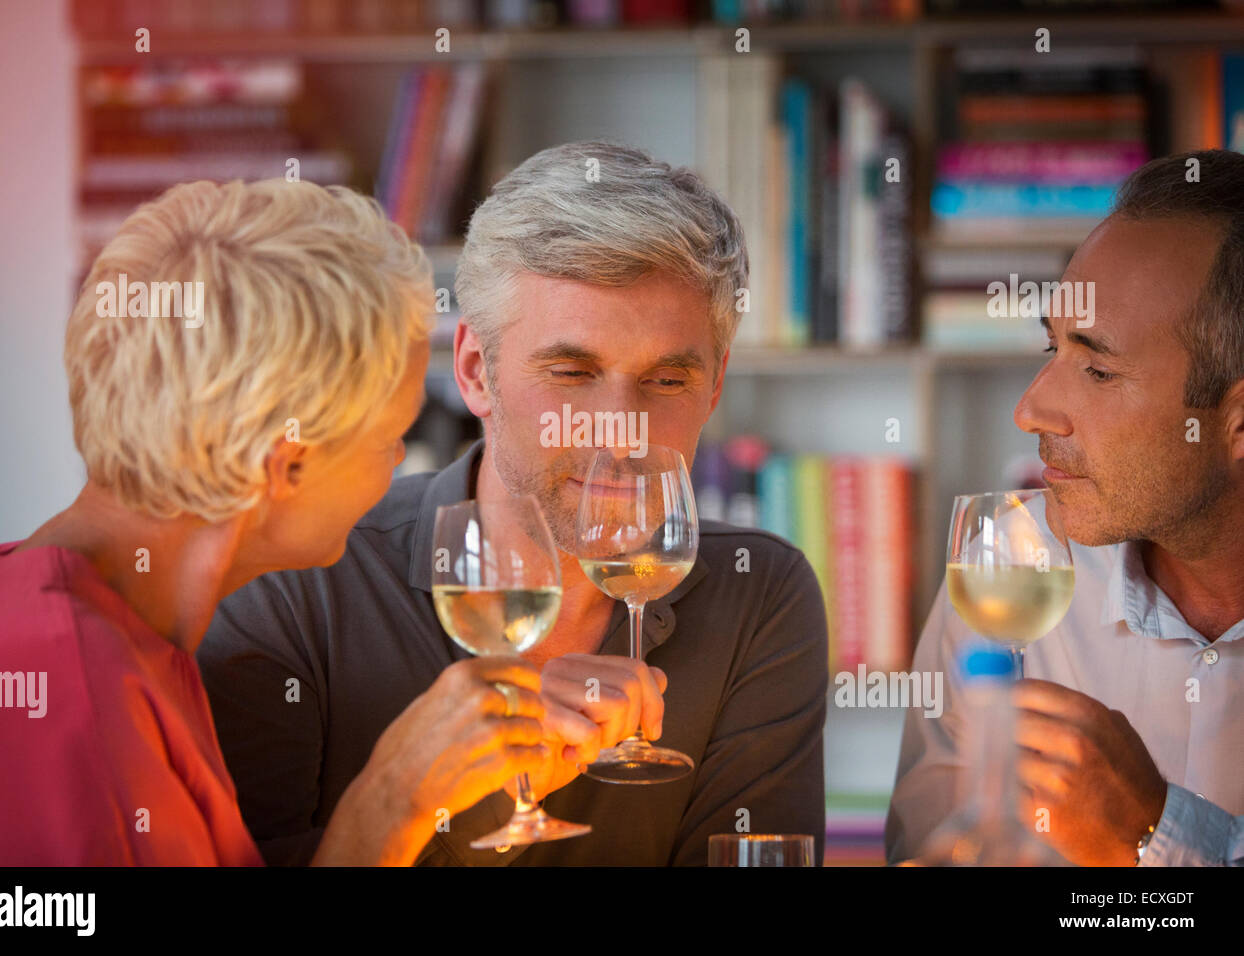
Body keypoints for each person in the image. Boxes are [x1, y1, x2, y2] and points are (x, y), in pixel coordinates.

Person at [198, 140, 829, 866]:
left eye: (665, 382)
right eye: (571, 371)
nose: (618, 434)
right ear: (475, 373)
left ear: (714, 389)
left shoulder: (762, 595)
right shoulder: (298, 582)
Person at [0, 179, 553, 865]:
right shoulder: (70, 694)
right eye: (390, 436)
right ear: (284, 466)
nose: (399, 464)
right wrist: (393, 800)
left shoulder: (112, 626)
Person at [887, 149, 1244, 867]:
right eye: (1052, 346)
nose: (1030, 410)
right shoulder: (1008, 571)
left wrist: (1155, 833)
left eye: (1099, 370)